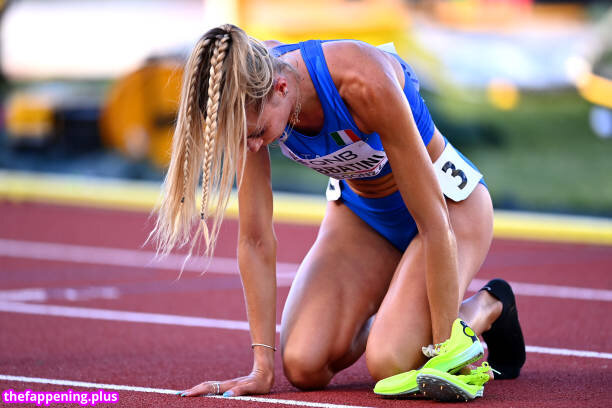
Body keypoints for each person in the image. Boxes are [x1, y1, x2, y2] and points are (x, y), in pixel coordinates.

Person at [149, 24, 525, 400]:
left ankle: (487, 306)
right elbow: (255, 239)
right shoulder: (247, 85)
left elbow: (433, 223)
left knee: (391, 362)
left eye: (257, 133)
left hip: (449, 211)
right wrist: (261, 369)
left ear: (282, 88)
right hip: (365, 218)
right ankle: (397, 315)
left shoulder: (361, 80)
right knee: (303, 364)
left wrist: (445, 348)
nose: (252, 146)